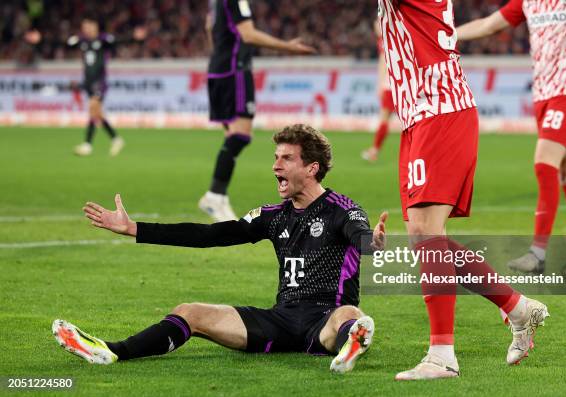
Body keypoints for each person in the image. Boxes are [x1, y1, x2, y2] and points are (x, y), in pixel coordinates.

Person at [54, 124, 386, 374]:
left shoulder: (342, 209)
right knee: (190, 312)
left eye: (287, 159)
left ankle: (350, 344)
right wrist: (134, 229)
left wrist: (373, 243)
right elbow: (209, 235)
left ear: (312, 168)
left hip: (326, 317)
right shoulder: (272, 215)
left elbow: (361, 236)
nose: (276, 166)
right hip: (281, 320)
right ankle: (110, 351)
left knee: (350, 315)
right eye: (275, 158)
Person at [377, 0, 549, 380]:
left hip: (438, 109)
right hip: (424, 113)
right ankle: (517, 308)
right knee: (425, 235)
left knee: (425, 233)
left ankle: (442, 356)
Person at [457, 0, 566, 275]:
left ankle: (537, 254)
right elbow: (488, 25)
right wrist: (449, 34)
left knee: (544, 163)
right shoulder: (527, 1)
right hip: (543, 95)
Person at [199, 0, 316, 222]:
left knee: (233, 136)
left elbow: (209, 28)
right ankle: (214, 195)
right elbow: (249, 35)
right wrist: (288, 47)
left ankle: (218, 196)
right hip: (235, 71)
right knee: (240, 136)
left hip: (217, 70)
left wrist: (220, 54)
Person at [25, 17, 145, 156]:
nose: (86, 29)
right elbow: (61, 44)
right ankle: (115, 139)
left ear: (95, 26)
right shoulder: (80, 41)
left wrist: (136, 38)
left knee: (93, 108)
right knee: (96, 113)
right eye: (84, 26)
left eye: (89, 26)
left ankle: (88, 145)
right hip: (88, 82)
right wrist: (41, 40)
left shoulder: (103, 39)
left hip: (100, 82)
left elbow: (120, 41)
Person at [361, 21, 395, 163]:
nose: (375, 26)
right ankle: (374, 149)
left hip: (391, 84)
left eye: (377, 23)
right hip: (401, 82)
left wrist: (381, 83)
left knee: (384, 118)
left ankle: (374, 150)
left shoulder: (384, 39)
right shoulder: (393, 37)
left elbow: (383, 62)